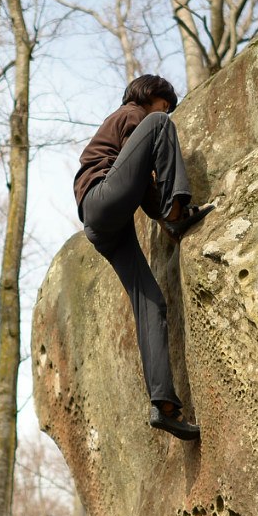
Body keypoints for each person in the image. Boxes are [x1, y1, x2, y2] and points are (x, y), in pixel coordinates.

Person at [73, 75, 211, 441]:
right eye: (164, 103)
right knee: (159, 127)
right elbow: (146, 160)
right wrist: (174, 212)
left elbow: (141, 185)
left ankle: (163, 404)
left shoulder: (131, 130)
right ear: (150, 95)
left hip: (103, 226)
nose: (166, 112)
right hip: (101, 197)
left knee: (151, 304)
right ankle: (176, 209)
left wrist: (166, 219)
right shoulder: (131, 114)